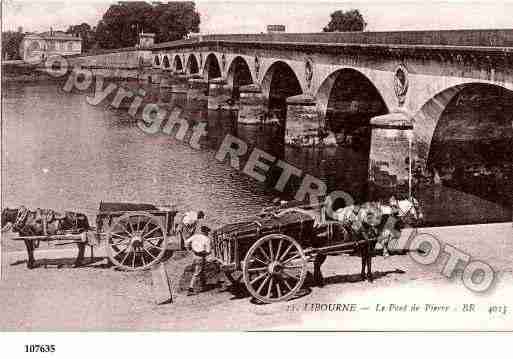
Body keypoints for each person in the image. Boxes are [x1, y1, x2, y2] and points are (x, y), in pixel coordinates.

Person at [185, 225, 211, 295]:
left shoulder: (195, 236)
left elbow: (186, 242)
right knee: (197, 273)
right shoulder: (207, 239)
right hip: (201, 257)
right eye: (207, 232)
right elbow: (208, 251)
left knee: (201, 271)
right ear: (206, 232)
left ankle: (203, 285)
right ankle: (190, 289)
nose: (208, 233)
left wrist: (189, 248)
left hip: (194, 256)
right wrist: (208, 253)